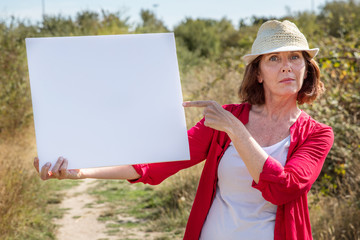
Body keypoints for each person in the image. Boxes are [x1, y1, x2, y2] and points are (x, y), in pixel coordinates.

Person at [34, 20, 334, 240]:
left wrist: (236, 131)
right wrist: (82, 170)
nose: (287, 66)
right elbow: (156, 161)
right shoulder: (227, 118)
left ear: (306, 68)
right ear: (257, 73)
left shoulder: (317, 134)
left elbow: (283, 189)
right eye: (274, 58)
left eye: (295, 57)